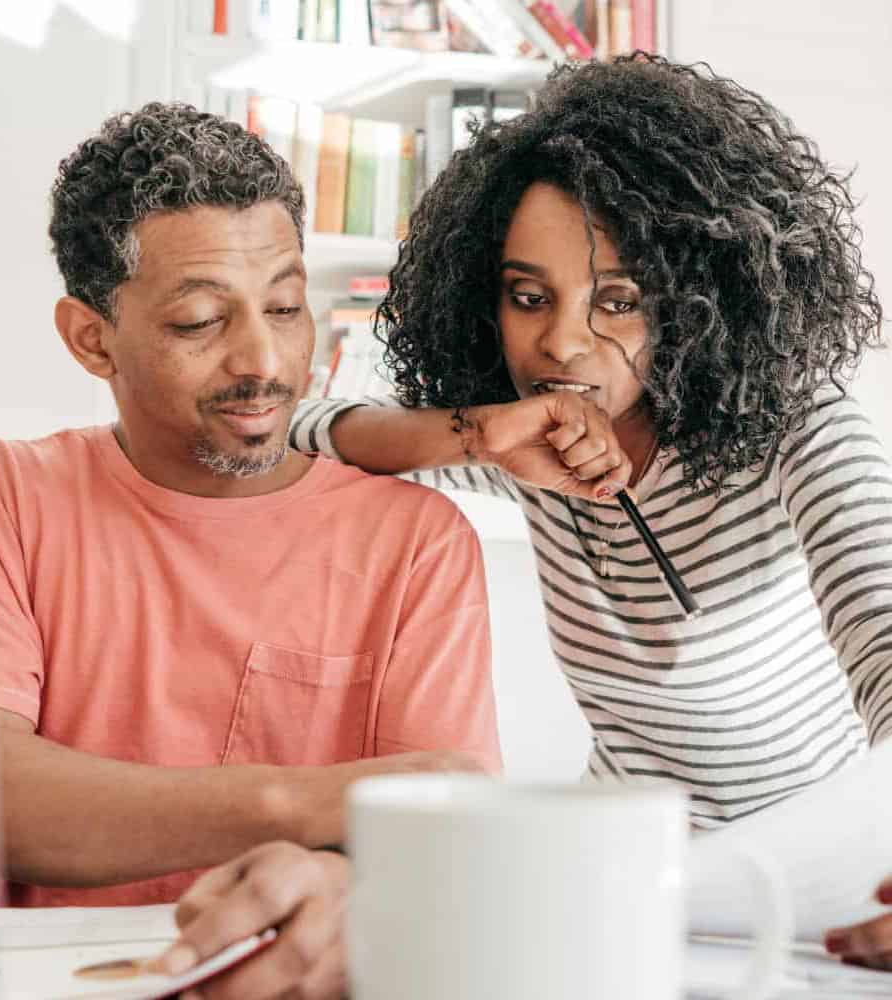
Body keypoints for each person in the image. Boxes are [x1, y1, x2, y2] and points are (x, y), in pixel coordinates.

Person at [156, 53, 892, 996]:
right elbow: (300, 432)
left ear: (701, 300)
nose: (561, 344)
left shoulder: (797, 434)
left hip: (809, 899)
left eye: (617, 301)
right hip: (615, 888)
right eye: (528, 295)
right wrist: (481, 435)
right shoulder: (533, 446)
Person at [0, 102, 501, 908]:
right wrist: (301, 804)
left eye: (285, 308)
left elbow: (443, 838)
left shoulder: (418, 544)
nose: (263, 360)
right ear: (91, 339)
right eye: (200, 320)